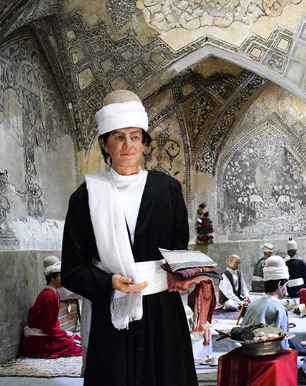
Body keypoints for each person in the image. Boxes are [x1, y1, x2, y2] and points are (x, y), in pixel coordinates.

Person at [61, 90, 198, 386]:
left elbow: (180, 252)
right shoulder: (86, 197)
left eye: (135, 137)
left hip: (163, 312)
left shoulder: (167, 190)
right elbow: (72, 269)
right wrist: (107, 282)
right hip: (113, 313)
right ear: (104, 143)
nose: (128, 145)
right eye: (119, 137)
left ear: (145, 142)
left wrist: (188, 276)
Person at [242, 255, 306, 356]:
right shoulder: (279, 309)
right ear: (279, 284)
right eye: (285, 285)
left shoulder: (252, 305)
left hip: (247, 352)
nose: (286, 289)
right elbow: (283, 347)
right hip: (266, 356)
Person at [23, 256, 82, 359]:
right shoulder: (49, 296)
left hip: (45, 335)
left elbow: (53, 324)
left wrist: (64, 334)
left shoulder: (52, 294)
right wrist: (64, 334)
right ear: (52, 278)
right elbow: (47, 327)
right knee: (70, 344)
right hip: (36, 341)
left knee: (75, 338)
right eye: (60, 276)